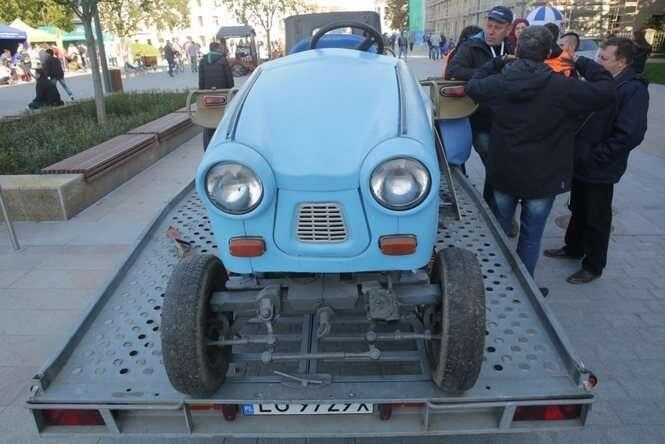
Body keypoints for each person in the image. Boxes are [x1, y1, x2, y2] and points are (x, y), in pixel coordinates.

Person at [463, 26, 615, 292]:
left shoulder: (500, 83)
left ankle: (496, 285)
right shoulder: (563, 87)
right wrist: (579, 61)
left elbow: (473, 85)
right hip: (543, 177)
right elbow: (607, 90)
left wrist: (497, 62)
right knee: (531, 235)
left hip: (505, 172)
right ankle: (526, 289)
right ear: (548, 53)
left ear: (517, 49)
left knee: (499, 231)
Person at [545, 37, 649, 284]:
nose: (598, 61)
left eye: (603, 58)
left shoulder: (633, 89)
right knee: (578, 208)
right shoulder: (602, 81)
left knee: (597, 216)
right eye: (598, 56)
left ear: (621, 62)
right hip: (583, 160)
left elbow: (630, 134)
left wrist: (597, 156)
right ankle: (573, 247)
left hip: (601, 165)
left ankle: (593, 265)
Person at [445, 6, 514, 207]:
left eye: (497, 28)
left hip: (504, 120)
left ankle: (491, 207)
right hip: (479, 119)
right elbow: (453, 72)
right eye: (489, 26)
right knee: (495, 167)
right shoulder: (471, 46)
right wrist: (489, 73)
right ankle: (492, 209)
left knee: (498, 168)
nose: (491, 31)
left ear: (508, 29)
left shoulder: (511, 47)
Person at [199, 42, 235, 150]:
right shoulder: (223, 60)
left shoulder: (202, 61)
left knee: (208, 121)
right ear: (217, 49)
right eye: (221, 48)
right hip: (223, 97)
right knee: (224, 119)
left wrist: (204, 93)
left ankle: (208, 147)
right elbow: (230, 82)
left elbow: (201, 82)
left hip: (208, 98)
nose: (223, 50)